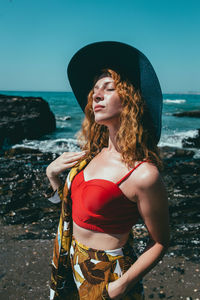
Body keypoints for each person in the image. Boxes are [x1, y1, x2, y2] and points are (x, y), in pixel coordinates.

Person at [46, 41, 170, 300]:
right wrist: (52, 175)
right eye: (94, 90)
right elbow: (74, 209)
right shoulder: (92, 154)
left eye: (109, 89)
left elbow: (159, 242)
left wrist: (122, 285)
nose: (96, 96)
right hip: (68, 262)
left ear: (130, 101)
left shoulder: (143, 174)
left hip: (107, 274)